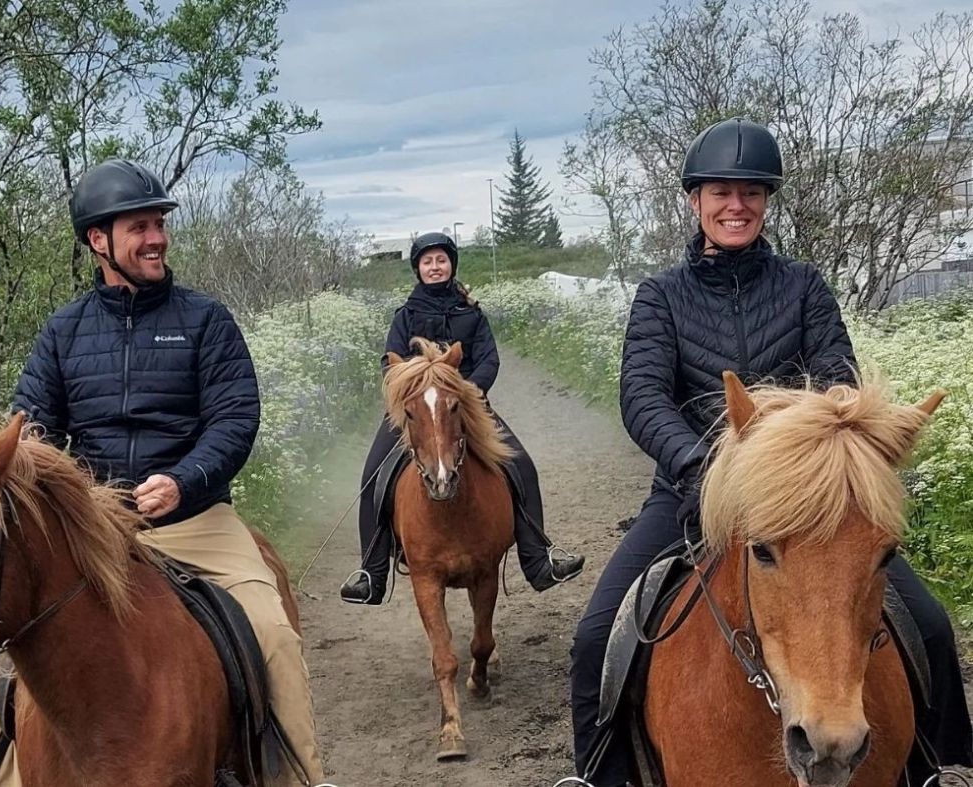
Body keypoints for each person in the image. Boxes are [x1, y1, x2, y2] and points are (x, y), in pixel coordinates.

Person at [568, 117, 973, 785]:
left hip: (808, 506)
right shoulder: (660, 297)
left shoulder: (805, 287)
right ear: (695, 201)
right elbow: (643, 398)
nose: (736, 206)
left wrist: (829, 456)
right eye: (721, 192)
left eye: (751, 193)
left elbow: (839, 379)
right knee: (594, 640)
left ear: (766, 201)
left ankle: (944, 767)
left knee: (927, 623)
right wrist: (708, 470)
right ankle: (598, 776)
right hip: (692, 494)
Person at [0, 159, 325, 787]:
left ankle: (297, 778)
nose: (157, 236)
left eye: (159, 223)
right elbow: (30, 433)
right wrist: (74, 499)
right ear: (98, 241)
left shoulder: (206, 321)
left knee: (272, 633)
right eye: (140, 226)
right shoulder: (63, 331)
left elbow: (235, 419)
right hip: (92, 533)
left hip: (196, 519)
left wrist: (185, 480)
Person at [339, 231, 586, 605]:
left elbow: (489, 360)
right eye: (427, 261)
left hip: (466, 405)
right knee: (372, 474)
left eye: (441, 260)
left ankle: (538, 558)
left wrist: (465, 394)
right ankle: (370, 572)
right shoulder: (404, 316)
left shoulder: (472, 314)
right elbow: (389, 361)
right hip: (417, 407)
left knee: (522, 465)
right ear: (418, 269)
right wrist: (419, 391)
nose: (435, 267)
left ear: (451, 264)